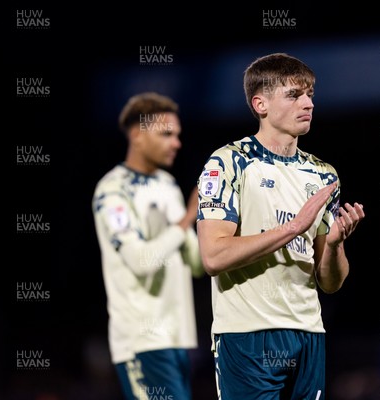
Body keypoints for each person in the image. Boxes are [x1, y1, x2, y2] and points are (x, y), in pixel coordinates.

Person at [196, 52, 365, 399]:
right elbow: (213, 256)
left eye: (310, 95)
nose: (308, 104)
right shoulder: (229, 162)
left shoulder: (323, 174)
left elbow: (330, 282)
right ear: (260, 104)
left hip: (308, 333)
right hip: (247, 335)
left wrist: (333, 246)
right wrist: (292, 228)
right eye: (293, 95)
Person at [92, 92, 204, 400]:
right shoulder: (112, 191)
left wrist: (218, 223)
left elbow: (195, 262)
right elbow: (142, 261)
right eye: (167, 134)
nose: (176, 143)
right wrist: (187, 218)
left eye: (178, 135)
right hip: (143, 340)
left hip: (179, 338)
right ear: (139, 135)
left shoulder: (167, 185)